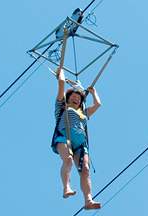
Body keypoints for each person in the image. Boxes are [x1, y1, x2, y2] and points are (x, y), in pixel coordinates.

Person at [51, 68, 102, 210]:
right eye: (73, 96)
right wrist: (60, 73)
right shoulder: (61, 107)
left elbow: (98, 105)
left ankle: (88, 200)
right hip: (64, 137)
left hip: (80, 143)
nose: (76, 98)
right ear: (68, 98)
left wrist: (93, 93)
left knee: (85, 169)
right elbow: (61, 83)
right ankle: (66, 187)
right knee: (67, 160)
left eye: (79, 98)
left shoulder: (83, 112)